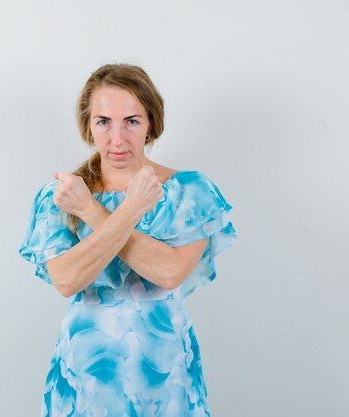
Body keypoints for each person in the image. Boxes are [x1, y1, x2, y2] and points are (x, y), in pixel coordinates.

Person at [18, 63, 237, 417]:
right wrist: (118, 209)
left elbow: (169, 273)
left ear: (151, 123)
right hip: (85, 376)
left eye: (131, 121)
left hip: (165, 378)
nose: (117, 139)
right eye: (103, 121)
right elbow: (67, 279)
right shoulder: (63, 196)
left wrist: (95, 211)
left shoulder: (190, 192)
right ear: (88, 126)